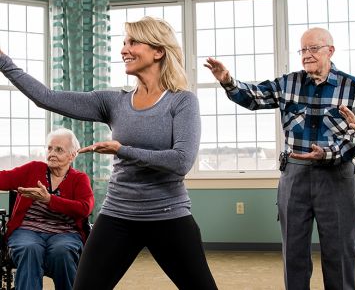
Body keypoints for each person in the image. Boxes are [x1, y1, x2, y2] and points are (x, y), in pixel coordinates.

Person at [0, 16, 218, 290]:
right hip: (117, 216)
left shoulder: (182, 101)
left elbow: (181, 161)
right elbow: (46, 97)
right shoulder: (114, 102)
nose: (124, 49)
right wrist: (3, 61)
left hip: (168, 215)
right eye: (124, 42)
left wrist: (122, 150)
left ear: (158, 51)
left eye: (133, 42)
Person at [205, 27, 355, 290]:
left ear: (330, 50)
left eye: (313, 48)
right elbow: (254, 96)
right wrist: (227, 80)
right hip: (295, 175)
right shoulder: (288, 82)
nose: (307, 55)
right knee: (294, 254)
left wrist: (327, 154)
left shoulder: (352, 87)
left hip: (337, 176)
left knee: (339, 254)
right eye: (303, 50)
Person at [0, 128, 94, 290]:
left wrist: (49, 199)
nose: (52, 153)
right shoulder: (33, 169)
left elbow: (85, 208)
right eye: (50, 148)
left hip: (65, 233)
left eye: (59, 150)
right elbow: (4, 178)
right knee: (30, 248)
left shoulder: (79, 179)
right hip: (27, 230)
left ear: (72, 155)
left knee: (62, 251)